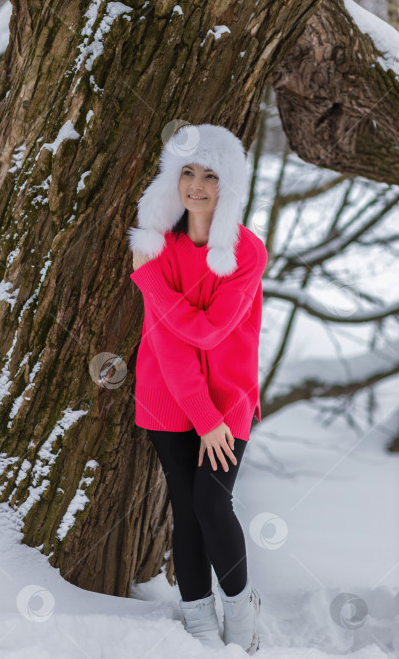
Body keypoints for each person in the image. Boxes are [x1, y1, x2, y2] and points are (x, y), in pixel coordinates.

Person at [127, 123, 267, 653]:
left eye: (211, 174)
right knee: (185, 511)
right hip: (167, 397)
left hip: (229, 400)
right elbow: (169, 342)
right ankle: (198, 621)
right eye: (188, 172)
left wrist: (152, 283)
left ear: (228, 184)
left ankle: (240, 608)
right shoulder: (157, 245)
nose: (198, 185)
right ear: (174, 179)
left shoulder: (246, 254)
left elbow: (209, 331)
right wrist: (197, 416)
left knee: (212, 505)